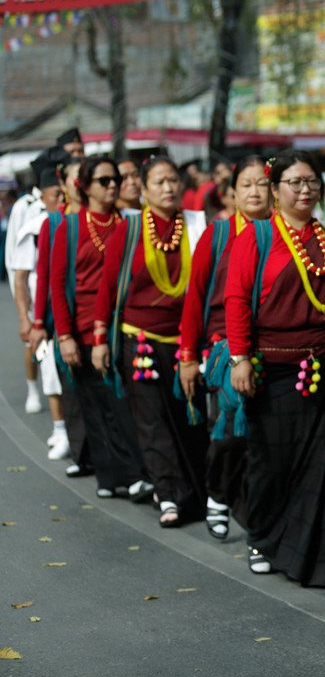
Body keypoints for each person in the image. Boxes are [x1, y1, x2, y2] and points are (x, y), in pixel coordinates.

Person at [225, 149, 325, 588]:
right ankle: (263, 540)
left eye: (311, 182)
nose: (304, 190)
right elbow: (235, 298)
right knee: (273, 461)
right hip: (277, 370)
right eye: (294, 182)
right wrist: (240, 357)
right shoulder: (258, 236)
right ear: (275, 189)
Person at [91, 158, 208, 528]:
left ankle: (197, 492)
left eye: (173, 180)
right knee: (152, 420)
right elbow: (107, 288)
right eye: (159, 182)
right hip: (138, 339)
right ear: (142, 188)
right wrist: (98, 339)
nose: (168, 188)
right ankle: (168, 493)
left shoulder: (197, 225)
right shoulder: (127, 230)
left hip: (188, 340)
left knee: (189, 417)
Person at [177, 156, 271, 540]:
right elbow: (195, 297)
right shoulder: (217, 236)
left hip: (272, 349)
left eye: (261, 184)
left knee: (263, 440)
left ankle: (258, 521)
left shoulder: (281, 235)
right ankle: (218, 493)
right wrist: (186, 356)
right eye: (245, 184)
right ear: (232, 193)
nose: (254, 191)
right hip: (225, 349)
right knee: (230, 431)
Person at [48, 156, 149, 499]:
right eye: (103, 181)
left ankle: (136, 472)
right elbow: (58, 285)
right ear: (84, 186)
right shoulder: (70, 228)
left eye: (115, 180)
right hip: (84, 330)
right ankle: (113, 477)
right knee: (97, 403)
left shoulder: (131, 223)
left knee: (125, 402)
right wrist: (64, 336)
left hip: (126, 328)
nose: (112, 186)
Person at [30, 159, 90, 472]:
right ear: (64, 185)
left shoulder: (110, 219)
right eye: (75, 178)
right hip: (63, 316)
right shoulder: (53, 224)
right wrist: (39, 321)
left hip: (98, 317)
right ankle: (78, 450)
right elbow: (44, 276)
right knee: (70, 383)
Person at [15, 167, 70, 458]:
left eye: (64, 192)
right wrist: (26, 318)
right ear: (43, 196)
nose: (60, 198)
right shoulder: (35, 227)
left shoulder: (73, 222)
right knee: (49, 371)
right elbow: (21, 276)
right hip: (43, 313)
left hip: (70, 311)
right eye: (55, 194)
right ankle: (60, 429)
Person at [8, 168, 50, 415]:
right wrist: (21, 303)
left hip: (53, 290)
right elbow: (15, 253)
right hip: (31, 285)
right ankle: (33, 388)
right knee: (33, 344)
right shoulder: (26, 207)